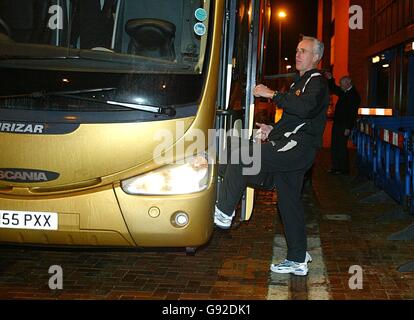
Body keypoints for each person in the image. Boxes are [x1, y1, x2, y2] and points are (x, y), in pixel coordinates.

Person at [214, 36, 330, 276]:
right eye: (297, 50)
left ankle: (224, 211)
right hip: (290, 145)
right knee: (289, 203)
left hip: (297, 148)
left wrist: (272, 94)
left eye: (304, 51)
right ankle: (298, 259)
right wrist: (272, 131)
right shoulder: (302, 81)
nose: (298, 55)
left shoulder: (316, 81)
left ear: (316, 57)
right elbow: (297, 120)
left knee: (242, 154)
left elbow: (306, 108)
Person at [324, 73, 361, 174]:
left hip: (344, 125)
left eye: (342, 84)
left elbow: (352, 114)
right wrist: (331, 78)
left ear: (348, 83)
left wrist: (348, 127)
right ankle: (336, 167)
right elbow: (334, 88)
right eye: (340, 84)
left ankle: (343, 169)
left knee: (341, 147)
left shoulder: (353, 95)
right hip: (338, 123)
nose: (340, 86)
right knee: (335, 146)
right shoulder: (345, 92)